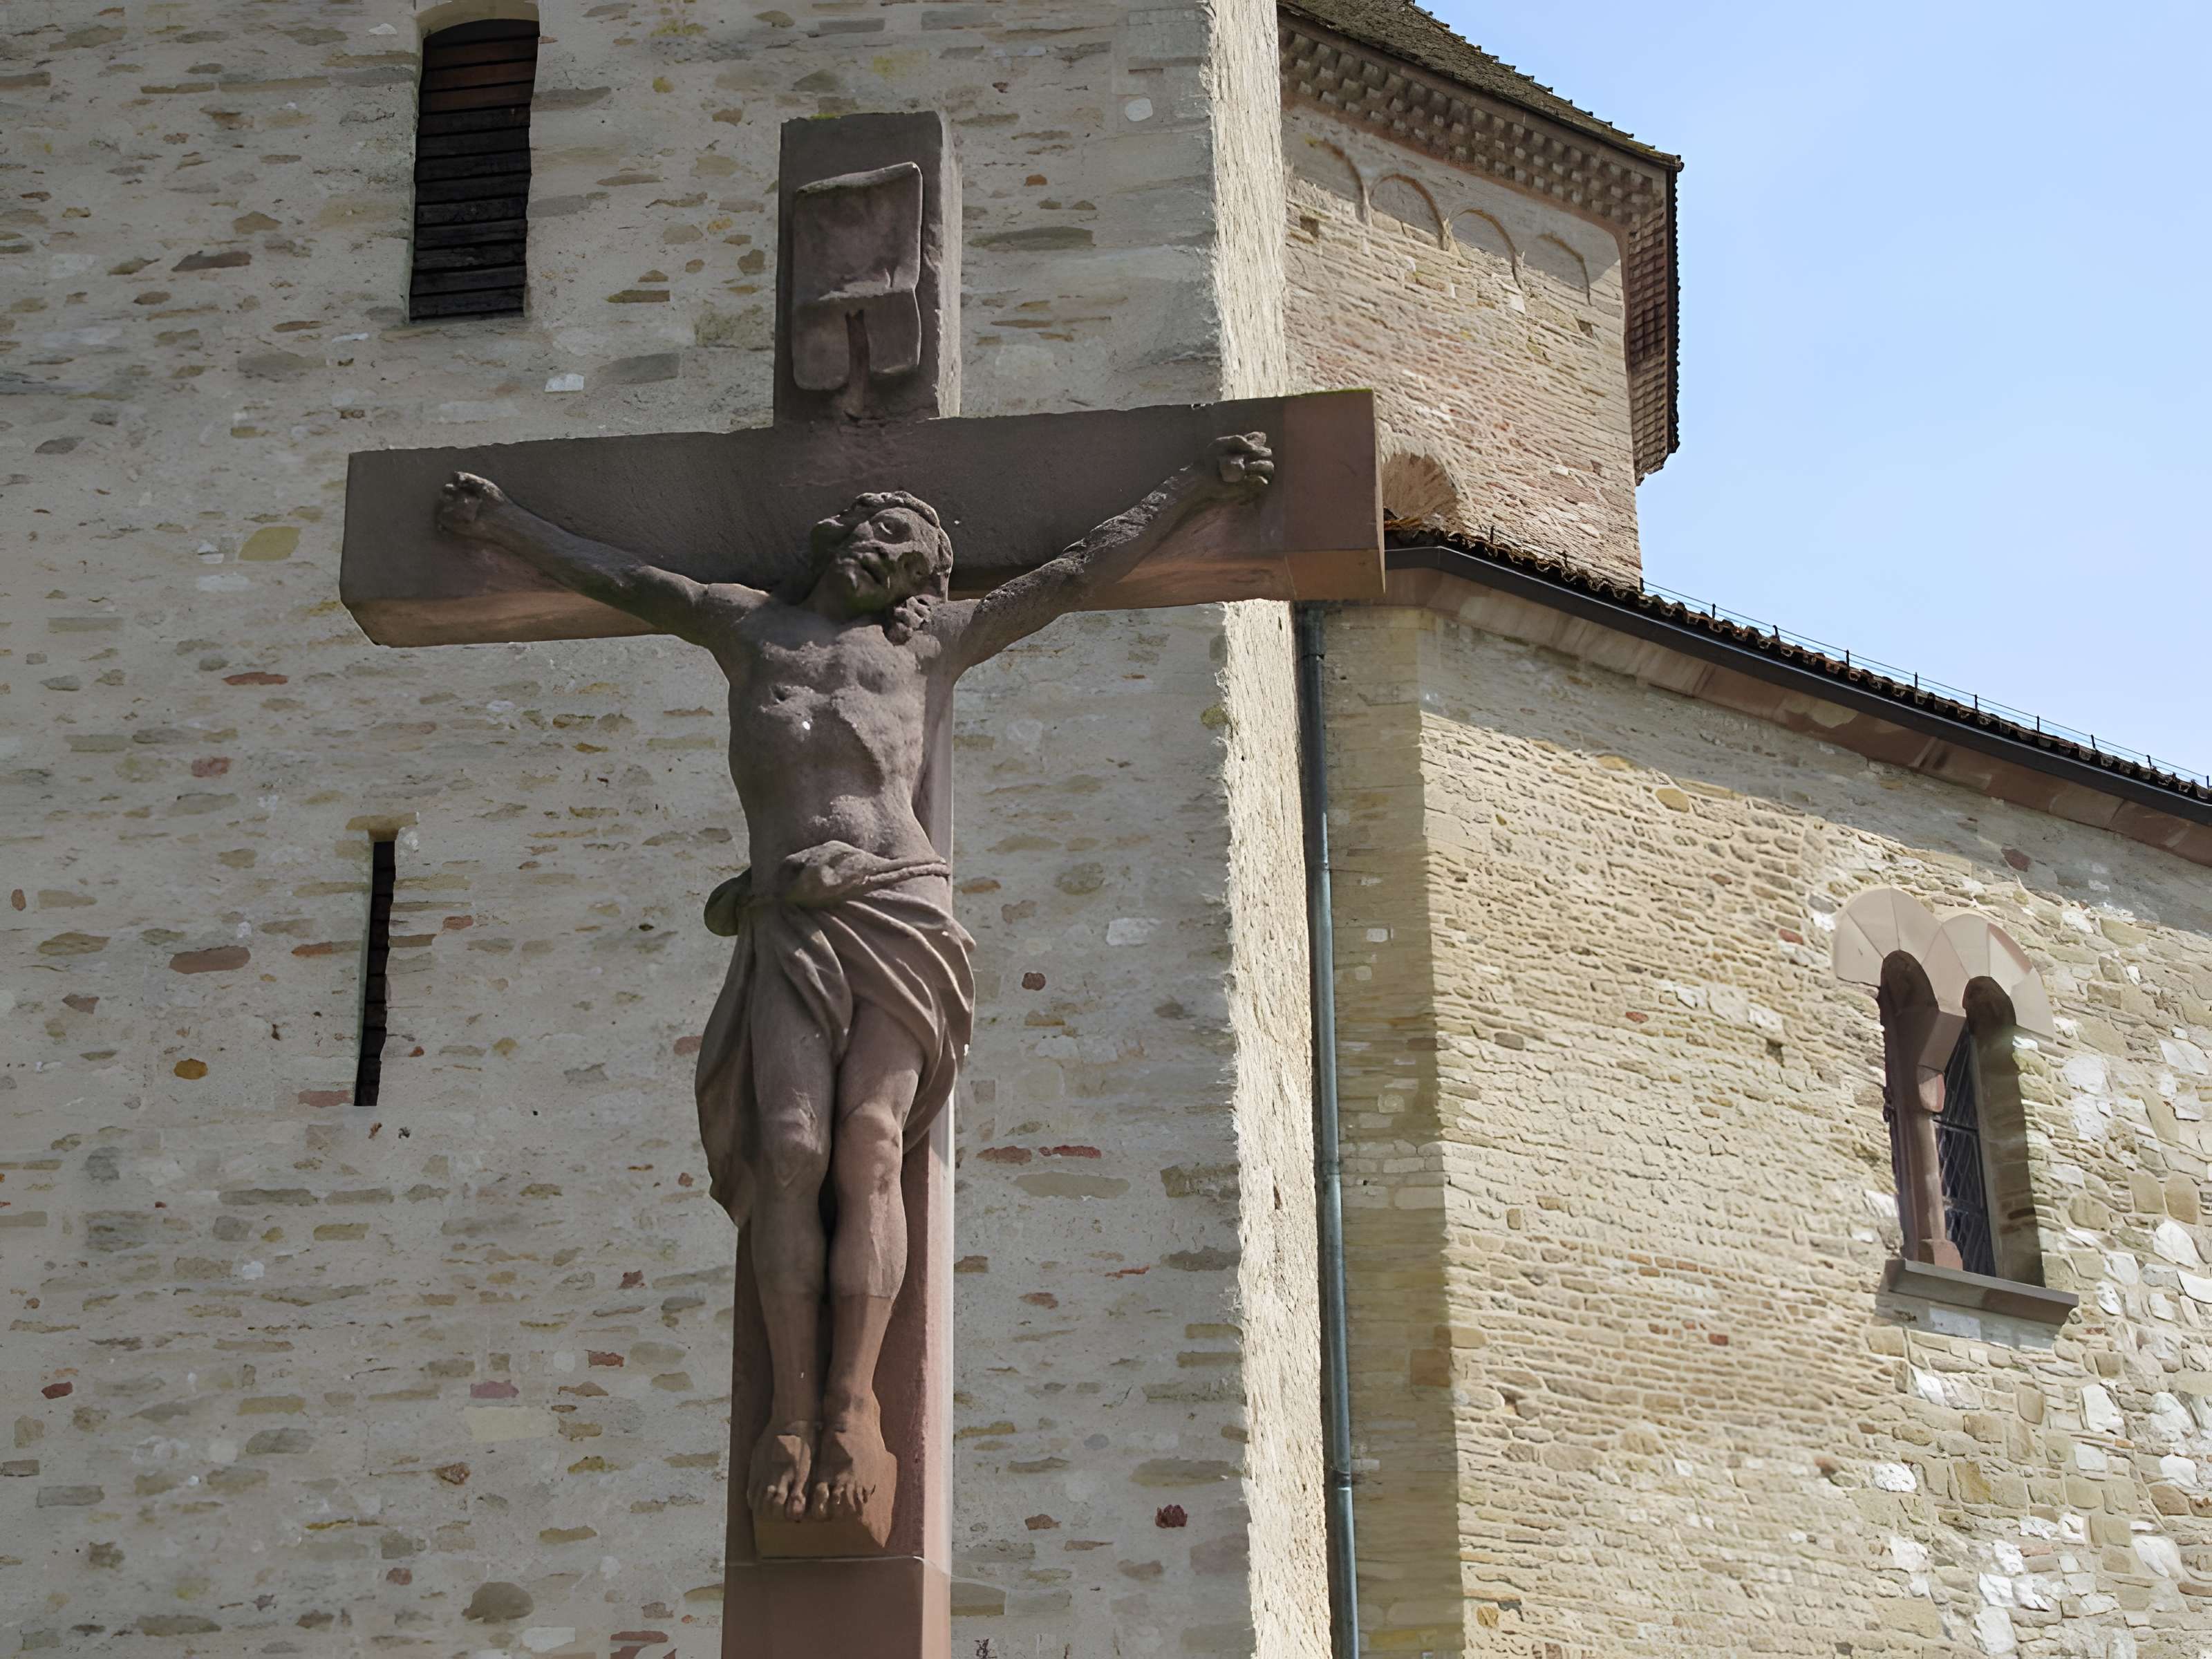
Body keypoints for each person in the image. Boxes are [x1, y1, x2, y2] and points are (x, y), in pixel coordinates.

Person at [433, 432, 1274, 1529]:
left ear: (923, 585)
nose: (888, 553)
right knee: (790, 1150)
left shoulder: (932, 647)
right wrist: (503, 525)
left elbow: (1076, 571)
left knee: (873, 1141)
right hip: (788, 917)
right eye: (881, 529)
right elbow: (626, 578)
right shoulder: (747, 627)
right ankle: (788, 1410)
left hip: (900, 906)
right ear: (838, 533)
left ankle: (851, 1406)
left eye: (911, 552)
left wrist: (1192, 485)